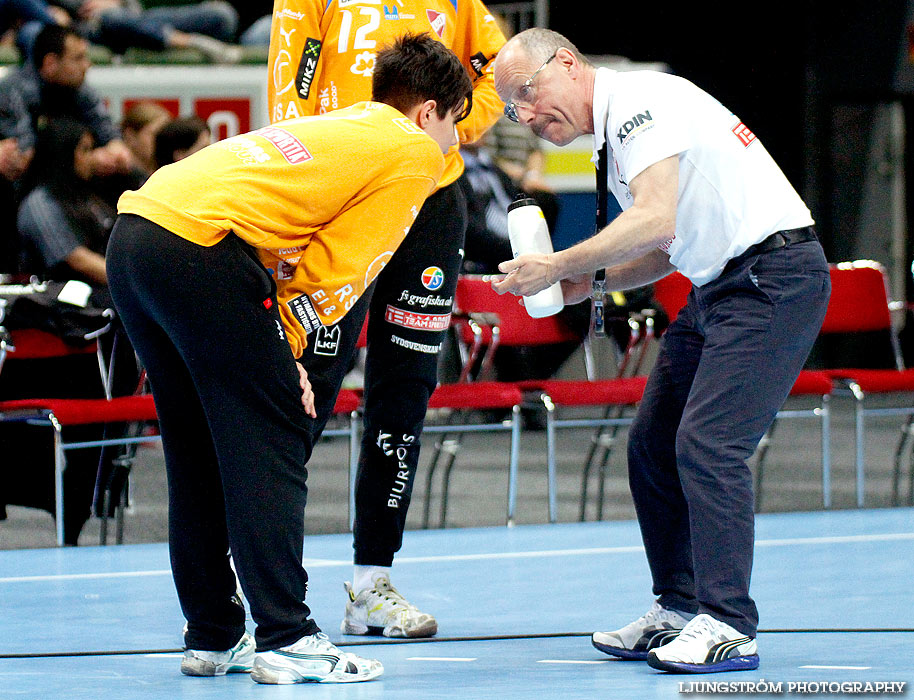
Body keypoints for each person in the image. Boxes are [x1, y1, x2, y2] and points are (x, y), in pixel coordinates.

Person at [106, 33, 473, 684]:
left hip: (136, 238)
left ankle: (214, 636)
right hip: (200, 251)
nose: (455, 145)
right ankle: (287, 637)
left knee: (196, 453)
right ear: (429, 113)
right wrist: (293, 358)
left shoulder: (340, 124)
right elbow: (344, 271)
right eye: (456, 124)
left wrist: (277, 342)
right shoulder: (413, 152)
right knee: (271, 438)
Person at [492, 28, 831, 674]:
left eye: (529, 93)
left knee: (707, 444)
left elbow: (651, 218)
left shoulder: (640, 103)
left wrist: (556, 263)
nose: (528, 116)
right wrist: (572, 286)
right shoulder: (618, 134)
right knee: (652, 444)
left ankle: (729, 623)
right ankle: (678, 607)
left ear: (567, 63)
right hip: (719, 288)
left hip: (772, 279)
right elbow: (663, 242)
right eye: (514, 109)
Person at [267, 0, 505, 641]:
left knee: (404, 392)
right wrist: (324, 163)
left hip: (430, 201)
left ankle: (372, 583)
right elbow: (290, 82)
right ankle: (256, 577)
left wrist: (450, 129)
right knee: (307, 381)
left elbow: (493, 67)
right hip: (342, 190)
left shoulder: (461, 6)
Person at [0, 24, 134, 182]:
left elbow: (106, 129)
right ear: (50, 63)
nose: (87, 65)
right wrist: (89, 160)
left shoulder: (79, 87)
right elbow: (24, 155)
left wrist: (116, 150)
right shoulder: (13, 91)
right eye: (78, 58)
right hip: (28, 188)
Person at [17, 116, 114, 285]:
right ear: (64, 153)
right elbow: (78, 260)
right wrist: (130, 282)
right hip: (60, 296)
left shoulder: (85, 193)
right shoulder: (39, 203)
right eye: (85, 150)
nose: (92, 158)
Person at [41, 0, 241, 62]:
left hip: (136, 21)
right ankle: (190, 41)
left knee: (222, 15)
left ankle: (171, 37)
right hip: (87, 29)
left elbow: (134, 7)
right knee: (112, 18)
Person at [120, 100, 171, 178]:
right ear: (130, 136)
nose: (163, 141)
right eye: (154, 134)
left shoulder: (169, 174)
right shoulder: (113, 177)